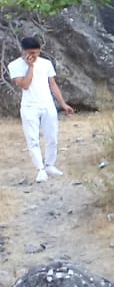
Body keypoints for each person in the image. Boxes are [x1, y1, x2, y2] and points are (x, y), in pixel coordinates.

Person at [7, 35, 73, 183]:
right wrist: (30, 67)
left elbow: (53, 84)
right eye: (31, 53)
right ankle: (40, 169)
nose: (34, 56)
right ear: (24, 52)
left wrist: (63, 104)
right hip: (30, 106)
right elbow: (24, 85)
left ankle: (50, 164)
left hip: (47, 103)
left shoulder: (46, 63)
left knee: (52, 137)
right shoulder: (15, 65)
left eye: (36, 52)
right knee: (32, 138)